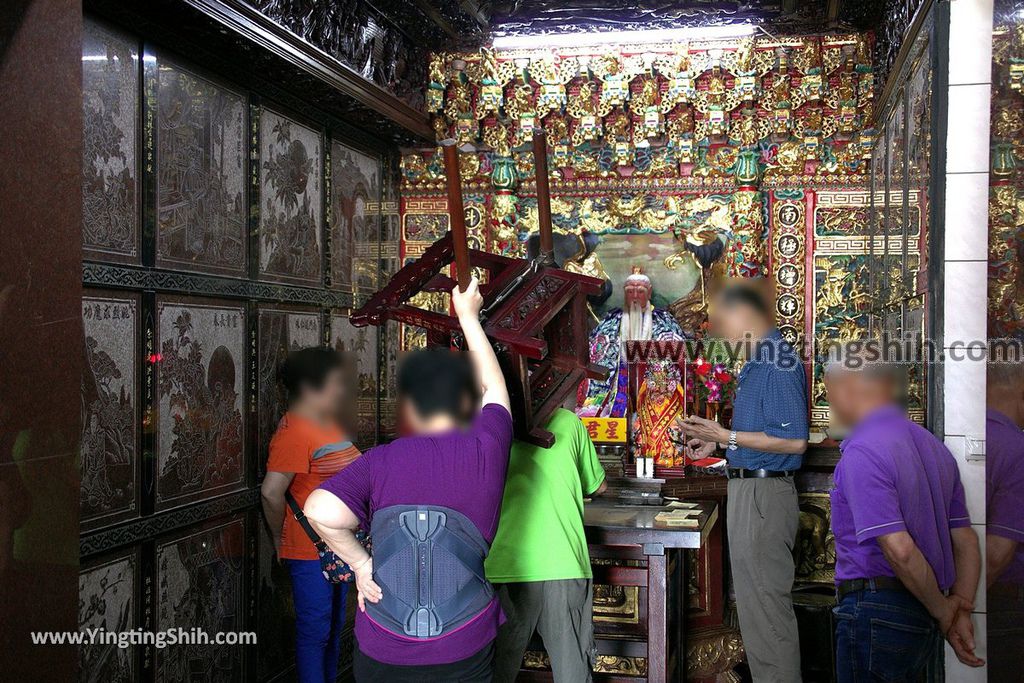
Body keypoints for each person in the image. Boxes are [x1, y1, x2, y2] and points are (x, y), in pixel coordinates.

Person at [303, 278, 512, 682]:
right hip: (464, 642)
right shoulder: (489, 449)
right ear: (467, 402)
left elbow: (319, 509)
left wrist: (362, 565)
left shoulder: (379, 461)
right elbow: (494, 387)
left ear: (411, 406)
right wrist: (469, 316)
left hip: (385, 643)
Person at [823, 341, 983, 680]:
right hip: (919, 618)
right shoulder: (934, 448)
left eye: (828, 392)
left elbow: (899, 549)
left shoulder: (863, 451)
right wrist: (959, 608)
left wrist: (944, 613)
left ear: (847, 388)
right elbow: (965, 540)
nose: (829, 402)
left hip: (877, 612)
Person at [681, 282, 807, 683]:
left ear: (747, 315)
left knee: (768, 614)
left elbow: (794, 440)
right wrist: (718, 448)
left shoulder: (777, 360)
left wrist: (727, 437)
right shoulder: (756, 362)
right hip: (749, 488)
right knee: (756, 612)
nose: (720, 329)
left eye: (724, 319)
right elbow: (756, 439)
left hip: (764, 496)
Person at [486, 398, 608, 682]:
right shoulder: (569, 422)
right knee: (573, 673)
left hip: (506, 563)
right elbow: (598, 485)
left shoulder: (490, 424)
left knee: (495, 672)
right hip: (563, 560)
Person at [260, 346, 361, 683]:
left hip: (339, 545)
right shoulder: (294, 432)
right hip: (309, 549)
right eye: (334, 383)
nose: (340, 390)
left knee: (332, 629)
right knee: (315, 631)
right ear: (309, 387)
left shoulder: (324, 424)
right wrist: (278, 536)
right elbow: (271, 491)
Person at [986, 355, 1024, 679]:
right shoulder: (1016, 448)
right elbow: (998, 552)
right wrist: (964, 607)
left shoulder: (946, 438)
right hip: (1000, 603)